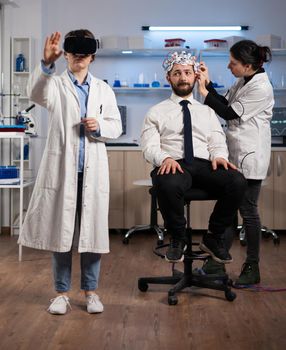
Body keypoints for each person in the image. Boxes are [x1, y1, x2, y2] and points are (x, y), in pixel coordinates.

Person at [18, 29, 122, 314]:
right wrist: (45, 64)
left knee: (91, 235)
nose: (79, 59)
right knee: (61, 233)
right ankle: (61, 294)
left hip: (92, 173)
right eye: (74, 54)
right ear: (66, 55)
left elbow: (116, 125)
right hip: (62, 172)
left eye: (84, 55)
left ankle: (91, 292)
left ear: (92, 57)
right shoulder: (55, 84)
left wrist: (99, 126)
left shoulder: (103, 89)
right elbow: (35, 93)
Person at [141, 51, 247, 265]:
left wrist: (219, 156)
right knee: (166, 182)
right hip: (174, 164)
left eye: (187, 72)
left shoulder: (207, 111)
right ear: (168, 78)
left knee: (236, 180)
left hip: (203, 164)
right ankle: (178, 239)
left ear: (195, 77)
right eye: (177, 73)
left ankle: (213, 237)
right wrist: (165, 158)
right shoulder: (155, 112)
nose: (183, 77)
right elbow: (148, 146)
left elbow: (216, 139)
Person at [197, 40, 274, 285]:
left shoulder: (261, 87)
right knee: (229, 209)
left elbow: (229, 113)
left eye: (233, 63)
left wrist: (204, 94)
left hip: (250, 157)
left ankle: (252, 266)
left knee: (248, 212)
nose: (229, 66)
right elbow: (225, 102)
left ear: (248, 65)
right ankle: (217, 262)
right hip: (235, 155)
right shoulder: (244, 80)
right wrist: (207, 83)